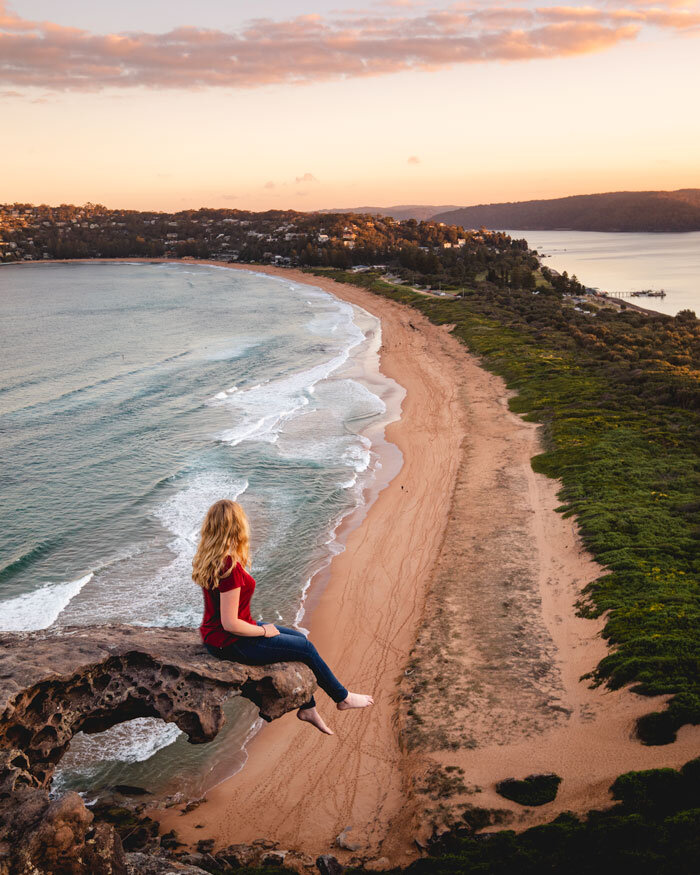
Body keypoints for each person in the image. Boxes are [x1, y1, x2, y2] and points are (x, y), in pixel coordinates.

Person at [193, 498, 374, 735]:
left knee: (296, 639)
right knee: (305, 648)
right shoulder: (229, 568)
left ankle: (308, 708)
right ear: (237, 527)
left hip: (217, 637)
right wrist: (262, 631)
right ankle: (343, 697)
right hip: (231, 642)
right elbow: (230, 623)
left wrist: (258, 628)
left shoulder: (212, 559)